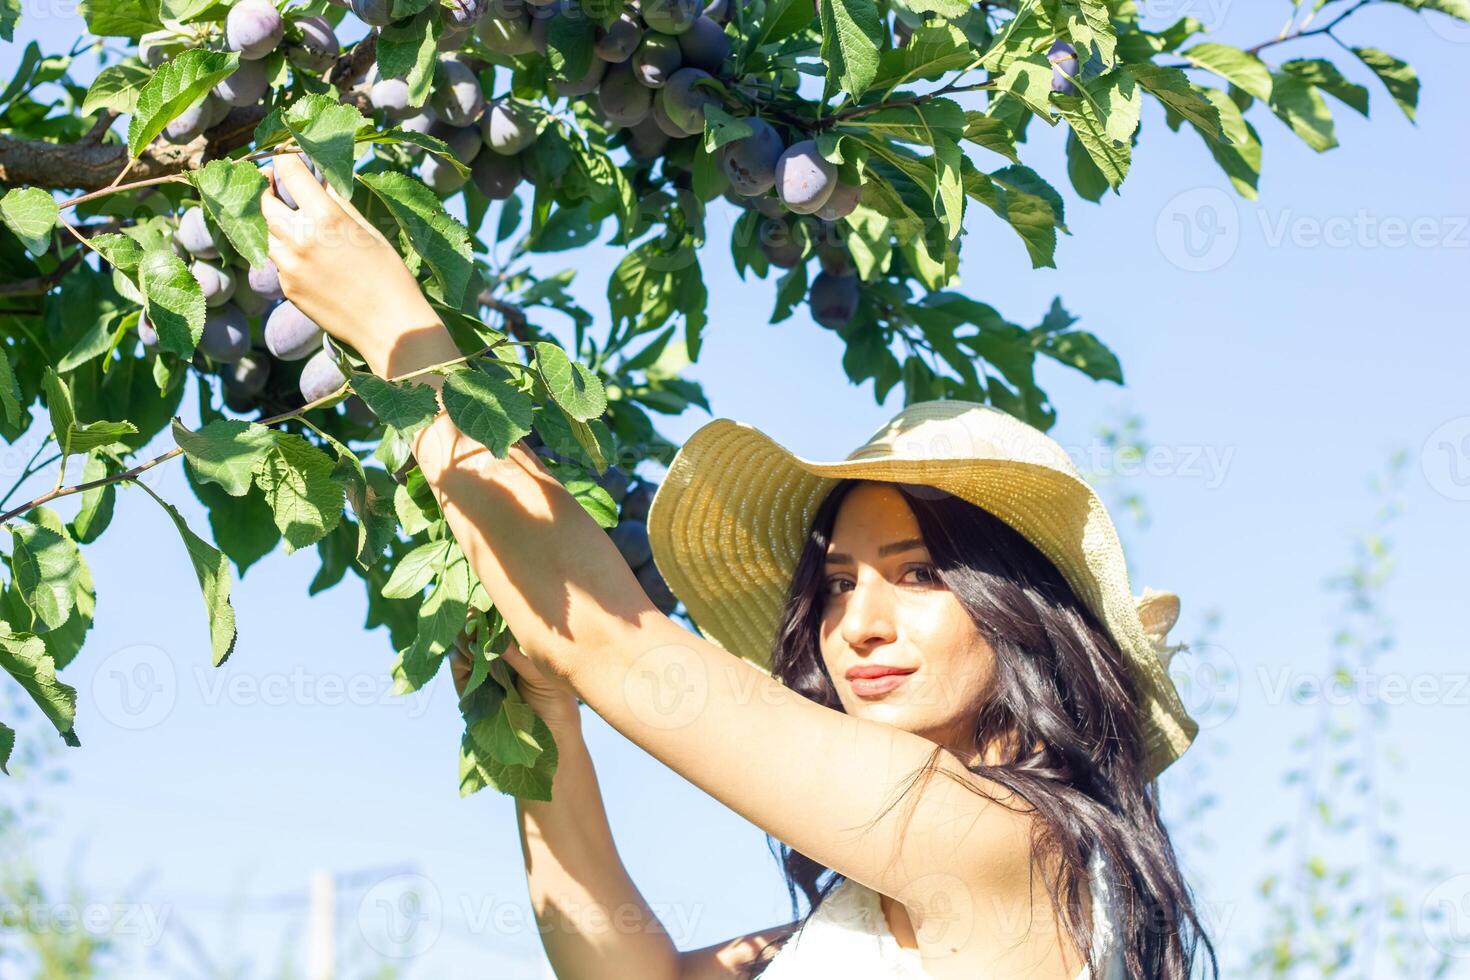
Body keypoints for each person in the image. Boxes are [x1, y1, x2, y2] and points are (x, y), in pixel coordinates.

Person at [261, 153, 1220, 979]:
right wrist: (549, 726)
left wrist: (397, 330)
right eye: (839, 582)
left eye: (920, 573)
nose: (859, 623)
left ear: (1023, 612)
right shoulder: (891, 903)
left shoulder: (1006, 843)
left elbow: (613, 640)